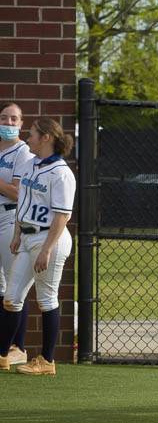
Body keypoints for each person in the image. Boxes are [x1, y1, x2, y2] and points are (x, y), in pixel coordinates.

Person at [0, 118, 75, 375]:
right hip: (28, 236)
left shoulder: (62, 172)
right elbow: (24, 201)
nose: (27, 137)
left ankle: (47, 360)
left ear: (46, 138)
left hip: (50, 239)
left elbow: (62, 216)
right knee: (11, 298)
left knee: (46, 298)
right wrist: (18, 233)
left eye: (31, 133)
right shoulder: (32, 164)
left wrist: (46, 250)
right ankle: (3, 355)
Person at [0, 102, 35, 368]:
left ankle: (17, 346)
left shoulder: (23, 152)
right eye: (4, 118)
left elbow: (17, 192)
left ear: (21, 124)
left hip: (10, 218)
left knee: (15, 285)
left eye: (14, 119)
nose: (9, 123)